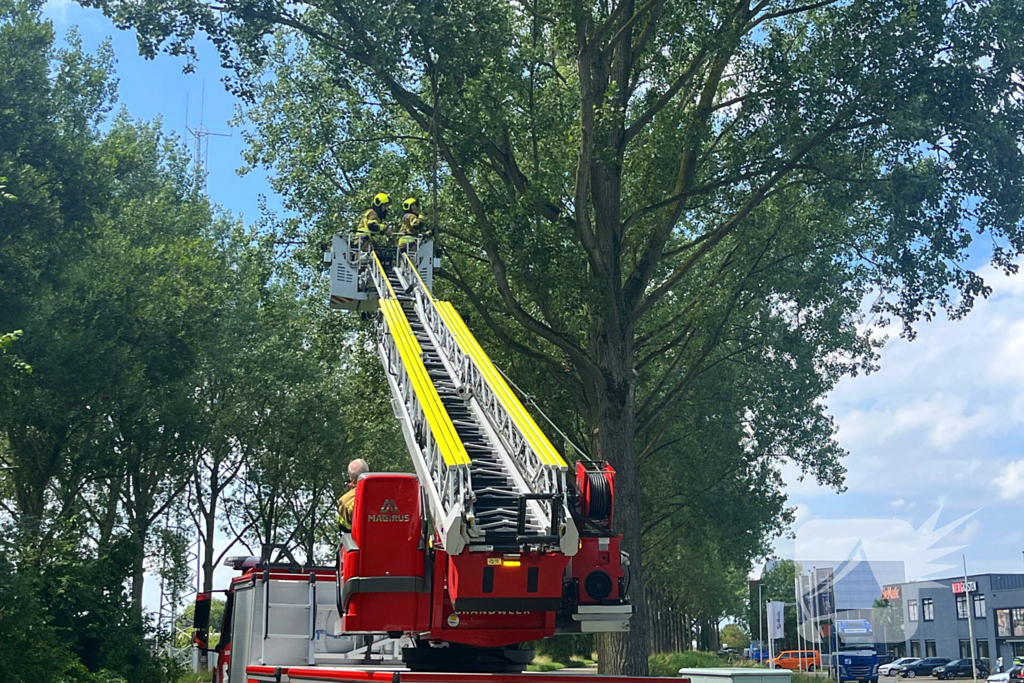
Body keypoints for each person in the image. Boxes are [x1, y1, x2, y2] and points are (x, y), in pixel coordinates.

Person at [337, 458, 369, 533]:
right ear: (368, 472)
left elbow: (344, 526)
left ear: (351, 478)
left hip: (360, 542)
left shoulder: (345, 501)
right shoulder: (387, 492)